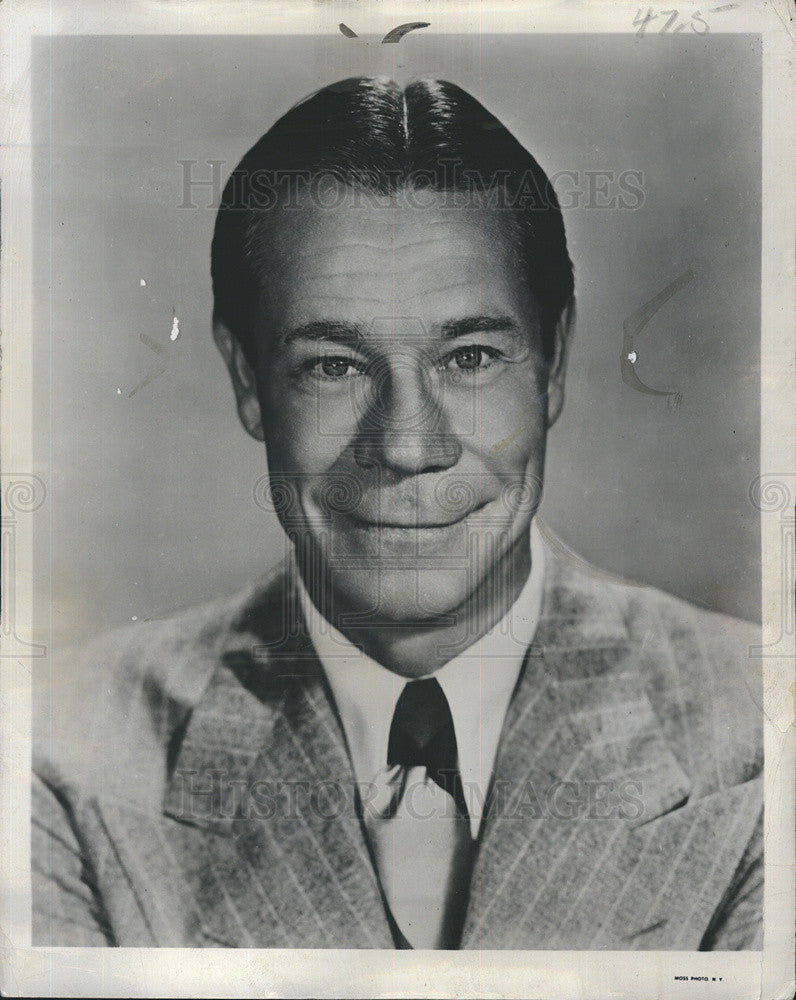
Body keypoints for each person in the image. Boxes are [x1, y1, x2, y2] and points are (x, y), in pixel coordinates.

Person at [32, 77, 763, 950]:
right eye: (333, 366)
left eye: (472, 356)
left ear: (555, 363)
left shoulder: (762, 737)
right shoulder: (60, 758)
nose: (409, 445)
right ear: (246, 381)